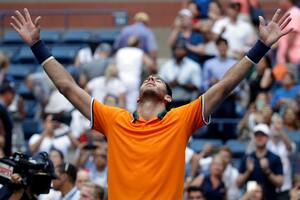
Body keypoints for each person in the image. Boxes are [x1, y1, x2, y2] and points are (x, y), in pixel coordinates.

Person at [11, 8, 292, 200]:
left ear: (168, 98)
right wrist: (37, 46)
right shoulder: (115, 119)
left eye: (158, 80)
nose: (152, 76)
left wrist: (261, 47)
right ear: (137, 96)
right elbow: (68, 88)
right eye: (149, 78)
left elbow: (224, 85)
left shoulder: (180, 119)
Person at [236, 124, 284, 200]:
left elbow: (280, 183)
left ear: (268, 138)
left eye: (262, 135)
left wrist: (267, 171)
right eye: (257, 135)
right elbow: (238, 183)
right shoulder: (247, 158)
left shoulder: (275, 158)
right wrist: (248, 171)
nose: (259, 138)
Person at [159, 39, 202, 107]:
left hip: (187, 102)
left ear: (186, 51)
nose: (179, 51)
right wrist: (170, 84)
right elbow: (159, 85)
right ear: (173, 51)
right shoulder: (166, 65)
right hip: (169, 103)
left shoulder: (193, 66)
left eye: (181, 49)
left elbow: (196, 86)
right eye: (177, 49)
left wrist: (180, 84)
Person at [0, 83, 15, 157]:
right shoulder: (1, 109)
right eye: (12, 94)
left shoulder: (4, 109)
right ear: (7, 94)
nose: (13, 97)